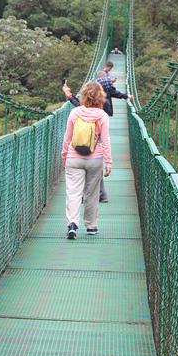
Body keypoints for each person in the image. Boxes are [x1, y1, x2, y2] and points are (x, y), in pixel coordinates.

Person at [61, 82, 111, 239]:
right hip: (94, 159)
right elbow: (105, 140)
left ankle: (72, 224)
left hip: (73, 158)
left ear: (83, 96)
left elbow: (67, 138)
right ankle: (91, 226)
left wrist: (64, 155)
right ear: (101, 97)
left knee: (73, 192)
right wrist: (108, 162)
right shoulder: (102, 116)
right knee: (92, 193)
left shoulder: (75, 113)